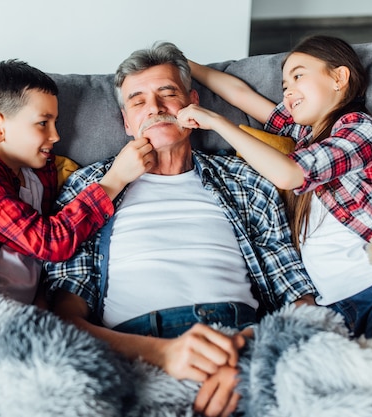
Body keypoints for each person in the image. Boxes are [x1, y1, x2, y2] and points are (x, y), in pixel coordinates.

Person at [45, 42, 317, 417]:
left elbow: (299, 300)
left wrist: (251, 352)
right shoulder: (91, 186)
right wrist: (162, 353)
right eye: (137, 101)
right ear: (126, 122)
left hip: (241, 341)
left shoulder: (246, 179)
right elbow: (63, 318)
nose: (154, 108)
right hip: (136, 352)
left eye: (167, 93)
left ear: (193, 102)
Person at [177, 35, 372, 339]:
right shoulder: (301, 133)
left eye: (298, 76)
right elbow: (240, 94)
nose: (288, 91)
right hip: (334, 305)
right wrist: (184, 65)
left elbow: (291, 175)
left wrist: (217, 123)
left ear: (339, 78)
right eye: (284, 86)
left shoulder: (360, 128)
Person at [0, 59, 155, 308]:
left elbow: (41, 264)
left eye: (55, 123)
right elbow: (50, 242)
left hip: (21, 316)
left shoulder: (42, 174)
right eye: (43, 123)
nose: (55, 136)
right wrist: (114, 180)